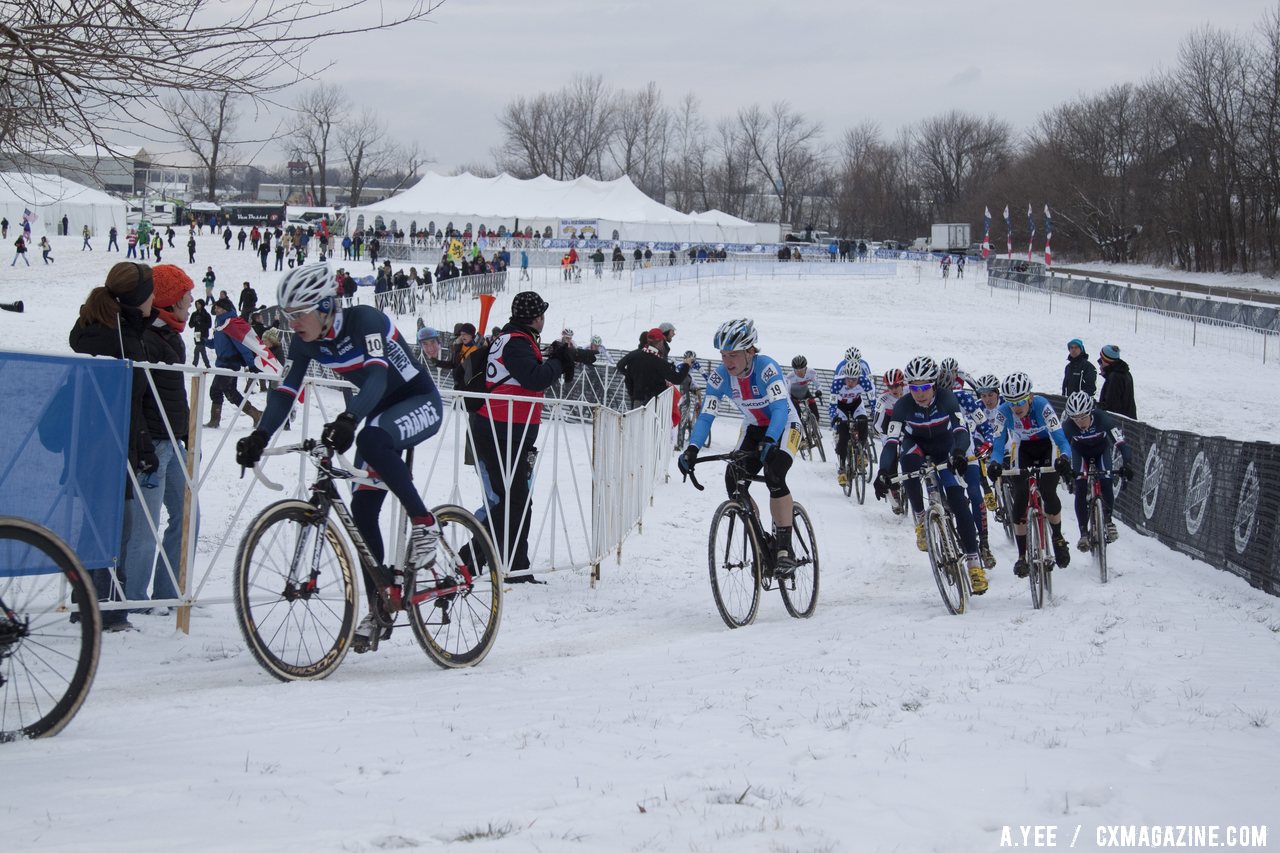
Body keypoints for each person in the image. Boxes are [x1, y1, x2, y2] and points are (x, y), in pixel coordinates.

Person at [234, 264, 445, 646]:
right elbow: (285, 392)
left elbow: (378, 376)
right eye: (287, 314)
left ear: (327, 305)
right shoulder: (303, 342)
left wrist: (349, 418)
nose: (292, 322)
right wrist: (260, 435)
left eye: (299, 313)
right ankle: (381, 605)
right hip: (379, 411)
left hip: (418, 401)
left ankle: (425, 521)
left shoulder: (365, 320)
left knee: (369, 440)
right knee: (363, 511)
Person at [66, 263, 178, 629]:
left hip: (91, 444)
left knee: (98, 525)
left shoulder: (94, 327)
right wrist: (143, 448)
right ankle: (106, 610)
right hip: (108, 447)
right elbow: (130, 403)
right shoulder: (123, 340)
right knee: (116, 528)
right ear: (137, 299)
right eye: (149, 294)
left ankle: (87, 602)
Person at [468, 290, 578, 584]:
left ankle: (516, 565)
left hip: (506, 429)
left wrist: (557, 355)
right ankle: (469, 560)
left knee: (517, 500)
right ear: (537, 318)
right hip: (501, 430)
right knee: (512, 500)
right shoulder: (516, 342)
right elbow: (535, 378)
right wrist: (558, 361)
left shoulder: (512, 338)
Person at [677, 318, 802, 572]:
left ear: (750, 351)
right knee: (734, 479)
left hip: (785, 425)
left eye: (733, 354)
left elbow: (779, 408)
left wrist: (771, 439)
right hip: (754, 428)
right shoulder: (720, 377)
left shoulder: (767, 368)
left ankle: (784, 548)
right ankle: (760, 538)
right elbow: (706, 415)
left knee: (774, 473)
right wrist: (692, 449)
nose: (727, 361)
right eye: (723, 355)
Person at [872, 356, 988, 595]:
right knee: (907, 461)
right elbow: (891, 442)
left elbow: (960, 430)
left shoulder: (947, 398)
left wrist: (958, 452)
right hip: (917, 446)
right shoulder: (904, 405)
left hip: (946, 447)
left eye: (924, 387)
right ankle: (920, 518)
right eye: (914, 388)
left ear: (933, 385)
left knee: (958, 500)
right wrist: (883, 471)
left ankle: (974, 564)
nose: (919, 393)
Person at [985, 371, 1074, 578]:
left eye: (1021, 401)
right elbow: (998, 446)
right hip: (1022, 447)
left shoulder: (1043, 406)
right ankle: (1022, 556)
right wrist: (995, 463)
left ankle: (1058, 538)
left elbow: (1061, 440)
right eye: (1011, 402)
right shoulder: (1003, 411)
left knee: (1048, 491)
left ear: (1030, 397)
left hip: (1046, 446)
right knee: (1020, 496)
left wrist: (1065, 458)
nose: (1016, 408)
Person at [1062, 391, 1132, 551]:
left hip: (1101, 451)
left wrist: (1127, 463)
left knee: (1106, 481)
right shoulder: (1068, 426)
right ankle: (1083, 533)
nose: (1080, 422)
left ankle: (1108, 520)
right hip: (1080, 453)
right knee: (1080, 486)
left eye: (1083, 417)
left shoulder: (1103, 420)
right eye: (1075, 418)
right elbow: (1060, 448)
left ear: (1091, 412)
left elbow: (1121, 443)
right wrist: (1064, 466)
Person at [204, 298, 266, 428]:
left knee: (215, 390)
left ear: (225, 309)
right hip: (223, 364)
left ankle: (214, 421)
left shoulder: (231, 324)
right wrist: (204, 342)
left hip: (229, 364)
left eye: (218, 308)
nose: (215, 310)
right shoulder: (221, 325)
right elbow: (218, 344)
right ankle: (256, 414)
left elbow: (241, 344)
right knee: (231, 393)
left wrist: (251, 363)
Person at [616, 329, 689, 408]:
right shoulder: (659, 362)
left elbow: (620, 366)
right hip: (654, 405)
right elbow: (677, 379)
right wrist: (687, 365)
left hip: (637, 402)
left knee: (636, 420)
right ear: (660, 342)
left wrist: (631, 377)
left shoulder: (634, 355)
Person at [831, 360, 871, 488]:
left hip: (856, 404)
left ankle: (861, 452)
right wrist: (835, 417)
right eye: (848, 379)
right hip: (841, 406)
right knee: (843, 436)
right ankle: (842, 468)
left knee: (863, 423)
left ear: (859, 377)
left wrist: (875, 412)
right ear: (844, 376)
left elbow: (873, 398)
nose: (851, 383)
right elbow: (832, 404)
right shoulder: (837, 383)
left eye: (854, 380)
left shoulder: (864, 381)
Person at [1097, 344, 1136, 419]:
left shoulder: (1114, 377)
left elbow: (1111, 406)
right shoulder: (1124, 372)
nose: (1100, 360)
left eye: (1101, 358)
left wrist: (1096, 406)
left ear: (1106, 360)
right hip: (1127, 421)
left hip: (1120, 423)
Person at [784, 355, 822, 427]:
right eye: (796, 370)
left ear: (806, 368)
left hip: (806, 393)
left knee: (816, 414)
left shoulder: (811, 372)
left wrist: (819, 391)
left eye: (801, 369)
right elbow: (787, 392)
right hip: (794, 396)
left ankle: (815, 429)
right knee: (797, 415)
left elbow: (818, 384)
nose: (799, 372)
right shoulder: (789, 377)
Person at [190, 298, 212, 367]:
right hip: (197, 334)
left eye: (199, 304)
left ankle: (194, 364)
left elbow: (209, 325)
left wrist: (200, 323)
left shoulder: (206, 315)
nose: (197, 305)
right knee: (202, 350)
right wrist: (195, 322)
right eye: (196, 304)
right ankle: (207, 365)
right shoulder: (194, 314)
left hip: (204, 334)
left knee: (197, 349)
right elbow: (190, 325)